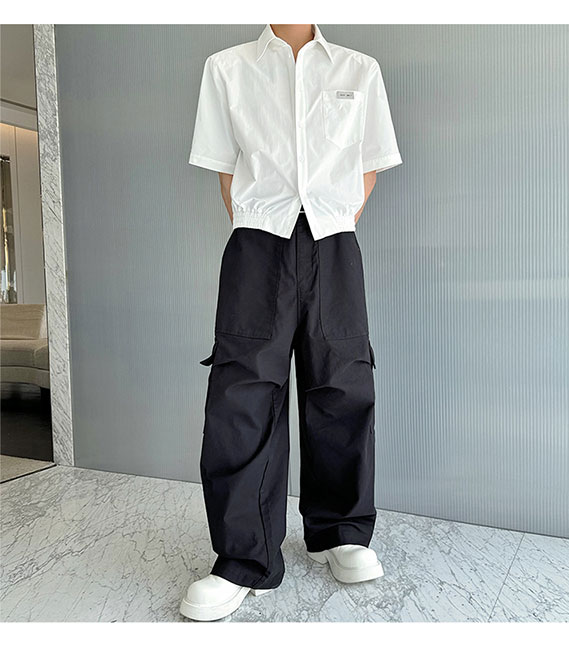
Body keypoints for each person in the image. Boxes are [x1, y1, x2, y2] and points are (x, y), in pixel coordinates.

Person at [180, 23, 402, 622]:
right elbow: (226, 169)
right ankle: (242, 557)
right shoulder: (227, 67)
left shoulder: (358, 69)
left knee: (343, 380)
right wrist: (259, 224)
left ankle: (340, 532)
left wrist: (332, 220)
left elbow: (369, 164)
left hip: (335, 239)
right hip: (257, 241)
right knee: (243, 391)